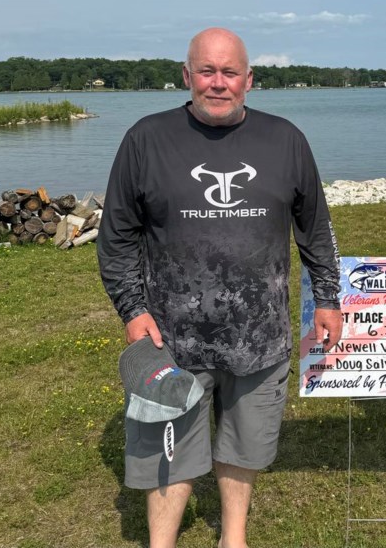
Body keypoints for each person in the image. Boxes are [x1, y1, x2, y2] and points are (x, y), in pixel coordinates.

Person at [97, 27, 344, 548]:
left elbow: (316, 229)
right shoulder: (146, 139)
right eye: (206, 71)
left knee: (245, 444)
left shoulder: (286, 140)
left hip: (259, 336)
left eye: (229, 72)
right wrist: (132, 309)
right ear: (186, 76)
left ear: (248, 80)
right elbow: (116, 236)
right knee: (167, 449)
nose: (217, 83)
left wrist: (327, 298)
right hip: (170, 339)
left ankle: (234, 537)